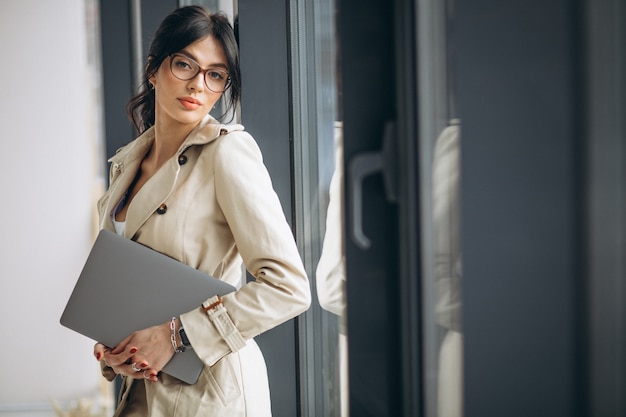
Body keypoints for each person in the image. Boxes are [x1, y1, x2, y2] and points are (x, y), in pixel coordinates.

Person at [92, 6, 311, 417]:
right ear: (153, 70)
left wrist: (178, 334)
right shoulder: (126, 163)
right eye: (184, 65)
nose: (198, 84)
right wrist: (116, 348)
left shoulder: (226, 153)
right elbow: (128, 281)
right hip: (142, 388)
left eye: (215, 74)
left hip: (211, 393)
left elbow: (289, 287)